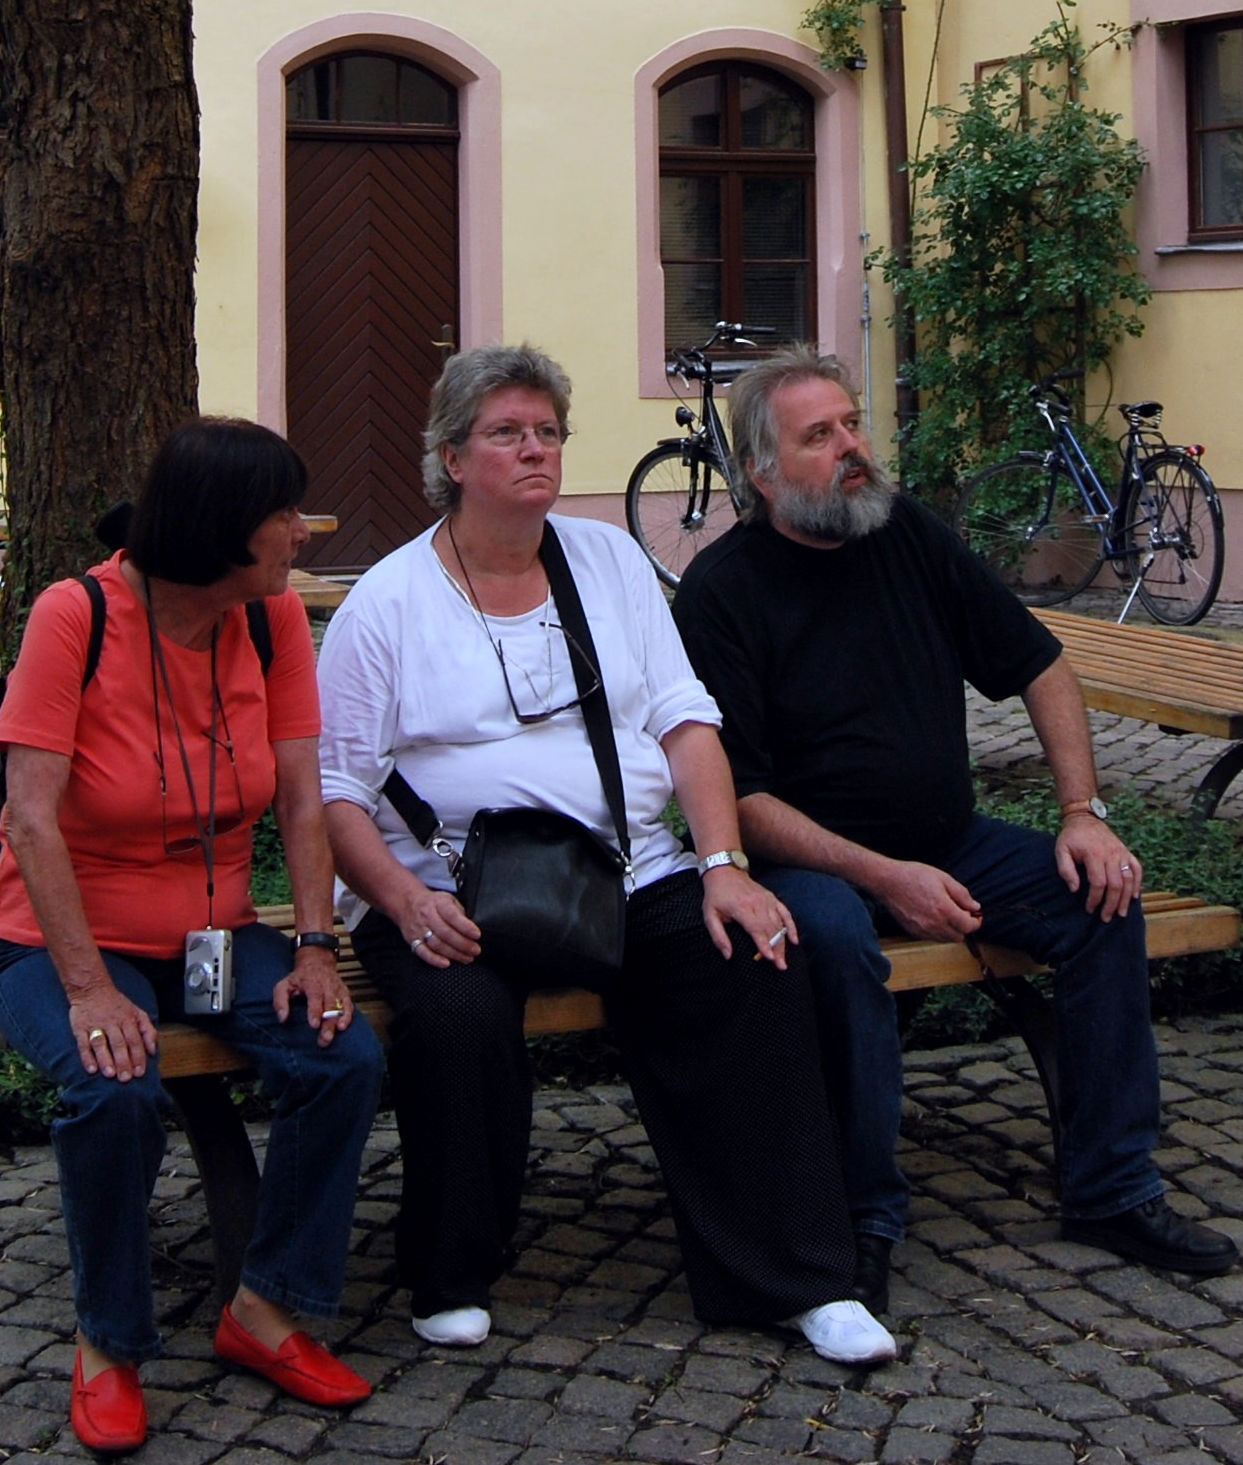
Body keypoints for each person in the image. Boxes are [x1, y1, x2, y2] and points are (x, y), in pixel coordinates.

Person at [316, 343, 894, 1367]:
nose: (534, 450)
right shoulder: (386, 604)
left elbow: (685, 720)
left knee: (748, 961)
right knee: (457, 1018)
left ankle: (800, 1277)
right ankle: (451, 1269)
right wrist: (401, 900)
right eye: (506, 433)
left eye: (547, 431)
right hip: (447, 888)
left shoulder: (609, 561)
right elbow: (337, 795)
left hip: (626, 871)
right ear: (452, 458)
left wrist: (723, 867)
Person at [672, 347, 1235, 1310]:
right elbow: (743, 795)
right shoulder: (722, 591)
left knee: (1101, 900)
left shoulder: (908, 536)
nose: (853, 448)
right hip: (808, 864)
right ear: (763, 474)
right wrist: (885, 876)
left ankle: (1111, 1188)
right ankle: (862, 1220)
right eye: (820, 436)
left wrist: (1082, 814)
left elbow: (1040, 665)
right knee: (837, 943)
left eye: (853, 424)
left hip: (949, 840)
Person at [0, 418, 385, 1457]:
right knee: (113, 1089)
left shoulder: (271, 618)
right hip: (60, 944)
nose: (302, 530)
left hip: (213, 936)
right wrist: (88, 990)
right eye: (282, 514)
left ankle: (267, 1308)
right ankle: (109, 1345)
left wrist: (313, 948)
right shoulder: (75, 616)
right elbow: (30, 818)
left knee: (339, 1053)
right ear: (219, 532)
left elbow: (302, 800)